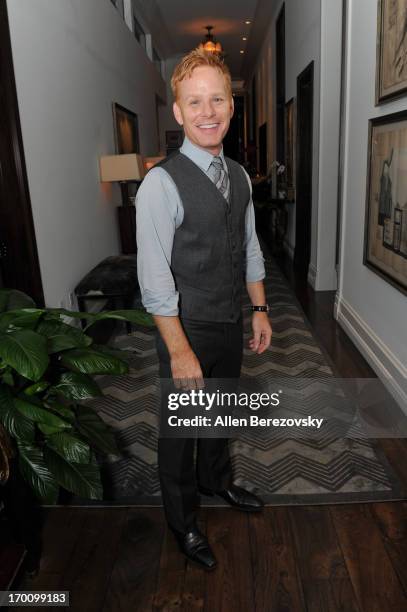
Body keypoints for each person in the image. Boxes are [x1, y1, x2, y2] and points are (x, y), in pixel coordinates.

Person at [136, 49, 272, 570]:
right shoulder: (160, 183)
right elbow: (153, 282)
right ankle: (184, 521)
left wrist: (258, 308)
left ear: (231, 107)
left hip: (229, 319)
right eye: (195, 101)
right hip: (185, 324)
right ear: (178, 111)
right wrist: (178, 351)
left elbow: (251, 248)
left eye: (217, 98)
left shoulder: (237, 175)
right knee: (180, 434)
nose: (207, 110)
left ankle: (218, 483)